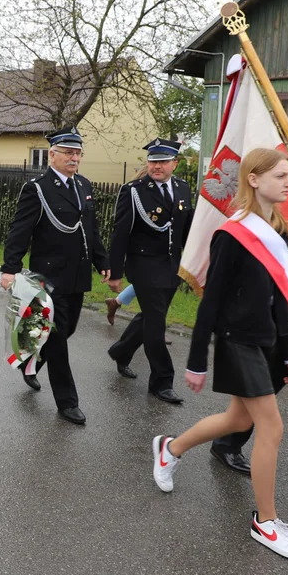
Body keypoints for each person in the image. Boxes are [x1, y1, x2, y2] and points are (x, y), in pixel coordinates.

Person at [151, 148, 288, 562]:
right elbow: (212, 300)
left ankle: (171, 448)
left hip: (268, 340)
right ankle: (266, 521)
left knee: (238, 419)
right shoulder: (232, 233)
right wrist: (197, 358)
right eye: (280, 175)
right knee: (271, 429)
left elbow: (284, 299)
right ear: (254, 179)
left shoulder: (281, 232)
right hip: (237, 339)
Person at [0, 127, 110, 425]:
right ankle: (67, 402)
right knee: (59, 338)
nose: (74, 158)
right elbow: (20, 230)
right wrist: (9, 268)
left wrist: (102, 262)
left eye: (78, 153)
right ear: (53, 155)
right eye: (69, 153)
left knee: (67, 329)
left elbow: (91, 230)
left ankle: (29, 361)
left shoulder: (83, 185)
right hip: (47, 274)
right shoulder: (37, 188)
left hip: (76, 273)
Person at [106, 138, 193, 404]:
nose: (157, 166)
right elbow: (120, 232)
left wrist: (193, 262)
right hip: (143, 266)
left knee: (151, 317)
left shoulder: (182, 188)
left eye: (163, 161)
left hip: (171, 266)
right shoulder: (134, 191)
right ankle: (162, 382)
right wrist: (116, 271)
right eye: (153, 161)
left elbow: (186, 229)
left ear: (174, 164)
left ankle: (121, 351)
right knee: (156, 323)